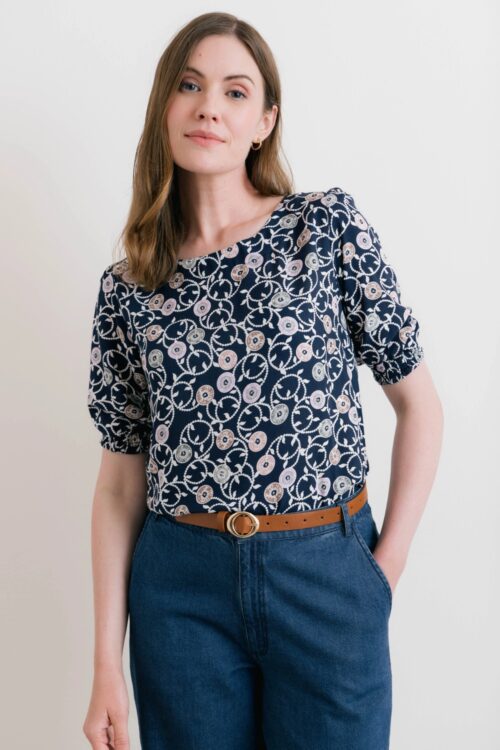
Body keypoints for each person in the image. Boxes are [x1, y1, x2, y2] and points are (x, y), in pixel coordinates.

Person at [82, 12, 443, 750]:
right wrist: (105, 665)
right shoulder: (130, 287)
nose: (209, 107)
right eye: (190, 86)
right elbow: (119, 484)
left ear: (264, 122)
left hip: (325, 576)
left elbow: (420, 405)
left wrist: (381, 573)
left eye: (235, 91)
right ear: (164, 107)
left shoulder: (324, 230)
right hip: (180, 594)